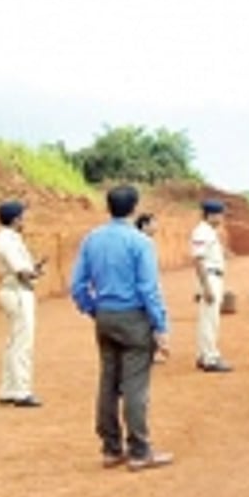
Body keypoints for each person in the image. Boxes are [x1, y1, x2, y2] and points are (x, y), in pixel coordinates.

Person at [69, 185, 172, 471]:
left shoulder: (92, 239)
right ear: (134, 207)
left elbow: (77, 285)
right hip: (134, 316)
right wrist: (160, 326)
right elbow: (149, 289)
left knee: (108, 382)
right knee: (135, 385)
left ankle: (111, 448)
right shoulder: (140, 242)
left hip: (105, 315)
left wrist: (92, 309)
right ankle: (140, 449)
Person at [0, 199, 45, 407]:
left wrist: (33, 269)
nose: (25, 219)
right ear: (15, 219)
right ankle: (21, 391)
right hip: (18, 291)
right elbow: (21, 271)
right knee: (22, 341)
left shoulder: (7, 238)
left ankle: (8, 389)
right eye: (22, 216)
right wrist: (33, 272)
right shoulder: (8, 241)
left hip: (13, 290)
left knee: (14, 340)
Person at [190, 199, 231, 372]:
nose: (222, 218)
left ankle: (203, 355)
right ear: (211, 215)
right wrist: (206, 287)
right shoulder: (202, 232)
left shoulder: (208, 232)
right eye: (220, 214)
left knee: (208, 318)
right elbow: (198, 260)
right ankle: (210, 358)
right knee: (209, 320)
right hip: (210, 277)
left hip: (213, 276)